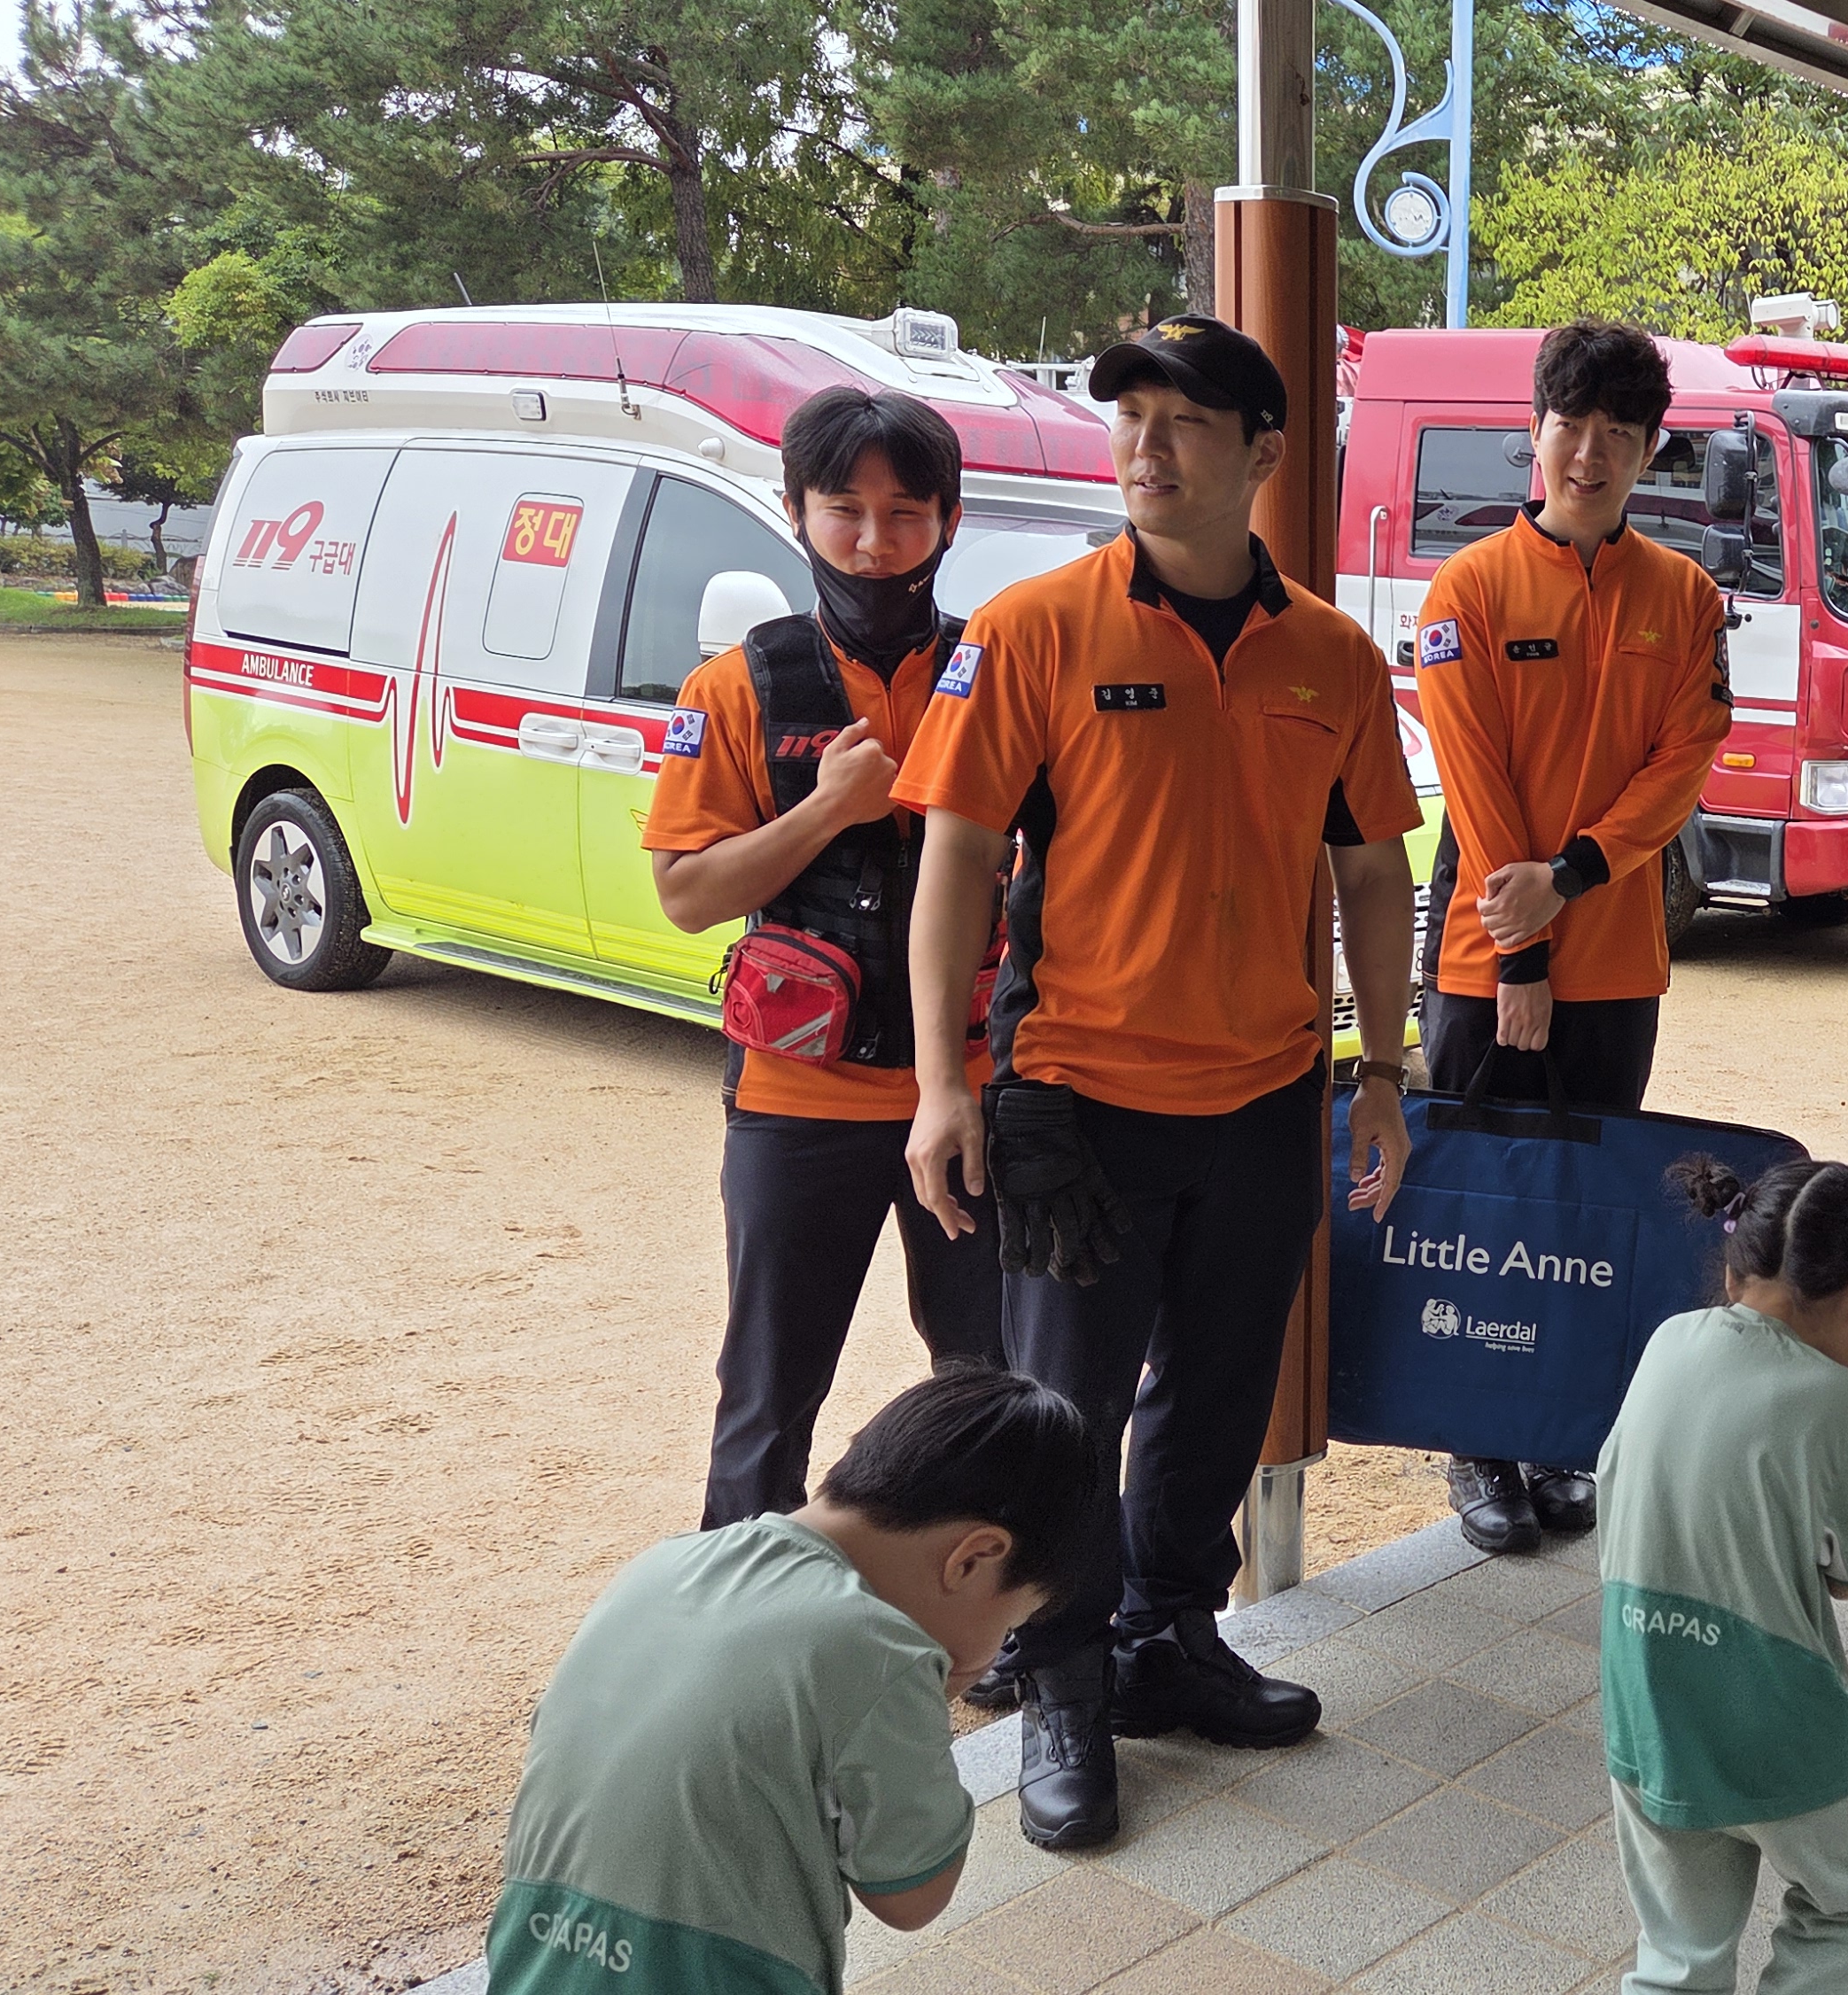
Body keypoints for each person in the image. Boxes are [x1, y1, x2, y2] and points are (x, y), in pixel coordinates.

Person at [892, 315, 1424, 1851]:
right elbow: (957, 864)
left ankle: (1165, 1638)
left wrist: (1379, 1068)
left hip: (1266, 1096)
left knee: (1218, 1389)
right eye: (1130, 413)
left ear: (1265, 453)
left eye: (1186, 419)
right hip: (1081, 1101)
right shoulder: (1038, 629)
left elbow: (1373, 873)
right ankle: (1059, 1680)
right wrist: (946, 1085)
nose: (1144, 443)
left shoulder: (1331, 654)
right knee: (1061, 1415)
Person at [644, 388, 1006, 1532]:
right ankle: (734, 1629)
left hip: (980, 1093)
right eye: (843, 507)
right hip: (799, 1099)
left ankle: (993, 1622)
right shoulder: (738, 687)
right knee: (767, 1392)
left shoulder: (1000, 671)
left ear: (948, 520)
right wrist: (829, 808)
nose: (873, 538)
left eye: (905, 511)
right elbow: (688, 895)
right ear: (797, 513)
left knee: (990, 1382)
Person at [1416, 321, 1735, 1556]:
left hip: (1618, 965)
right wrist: (1524, 951)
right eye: (1571, 425)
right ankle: (1474, 1445)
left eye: (1619, 433)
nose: (1590, 452)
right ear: (1533, 433)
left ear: (1648, 450)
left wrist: (1582, 875)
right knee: (1483, 1204)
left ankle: (1554, 1433)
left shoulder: (1685, 596)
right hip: (1488, 960)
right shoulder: (1471, 591)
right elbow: (1479, 784)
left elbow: (1681, 763)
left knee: (1585, 1212)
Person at [486, 1367, 1088, 1995]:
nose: (991, 1660)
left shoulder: (660, 1565)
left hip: (531, 1962)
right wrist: (922, 1708)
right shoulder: (884, 1652)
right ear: (973, 1558)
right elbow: (913, 1898)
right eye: (1008, 1625)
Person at [1597, 1156, 1848, 1995]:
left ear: (1736, 1263)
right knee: (1841, 1904)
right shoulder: (1839, 1401)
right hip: (1777, 1718)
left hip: (1646, 1702)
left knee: (1680, 1946)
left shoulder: (1669, 1341)